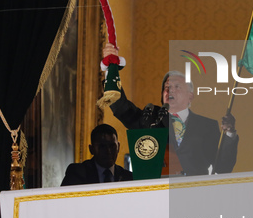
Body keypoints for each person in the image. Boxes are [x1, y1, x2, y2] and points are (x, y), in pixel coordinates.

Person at [104, 44, 238, 176]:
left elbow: (223, 167)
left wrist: (229, 134)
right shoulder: (150, 117)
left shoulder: (207, 126)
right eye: (166, 86)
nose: (170, 90)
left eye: (177, 86)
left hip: (195, 192)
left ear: (190, 96)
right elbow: (121, 108)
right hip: (159, 192)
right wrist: (111, 68)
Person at [61, 123, 133, 186]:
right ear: (91, 149)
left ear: (118, 147)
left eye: (112, 146)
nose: (108, 151)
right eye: (102, 146)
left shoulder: (128, 177)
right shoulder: (77, 173)